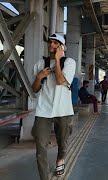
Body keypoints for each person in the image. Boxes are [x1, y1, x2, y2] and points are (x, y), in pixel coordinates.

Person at [31, 33, 76, 179]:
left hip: (63, 110)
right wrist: (39, 77)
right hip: (43, 111)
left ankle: (60, 159)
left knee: (62, 143)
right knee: (40, 148)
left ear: (62, 47)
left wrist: (57, 60)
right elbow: (35, 89)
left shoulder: (69, 63)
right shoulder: (39, 64)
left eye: (56, 43)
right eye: (50, 42)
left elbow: (60, 80)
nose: (51, 45)